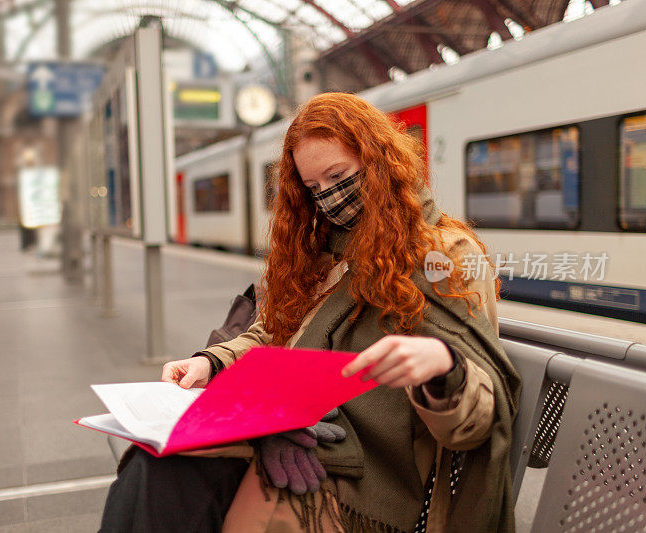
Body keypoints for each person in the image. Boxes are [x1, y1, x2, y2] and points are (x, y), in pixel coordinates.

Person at [99, 92, 520, 533]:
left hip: (370, 478)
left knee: (178, 488)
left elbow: (476, 421)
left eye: (338, 176)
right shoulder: (323, 253)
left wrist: (443, 368)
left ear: (379, 162)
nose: (330, 199)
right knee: (155, 467)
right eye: (313, 188)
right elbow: (271, 333)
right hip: (289, 428)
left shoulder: (446, 255)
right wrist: (212, 361)